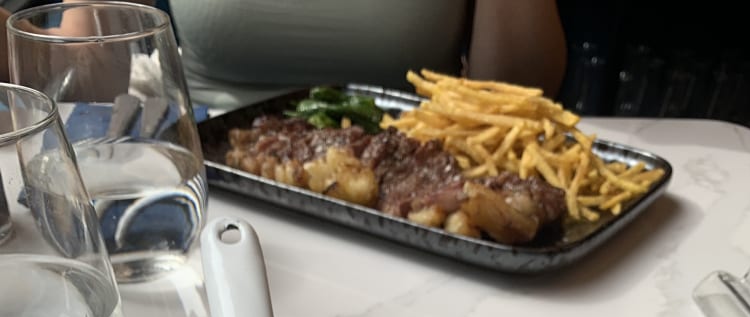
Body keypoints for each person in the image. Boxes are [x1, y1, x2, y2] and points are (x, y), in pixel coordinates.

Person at [2, 1, 568, 106]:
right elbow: (95, 74)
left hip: (417, 187)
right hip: (212, 185)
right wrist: (10, 48)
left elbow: (517, 90)